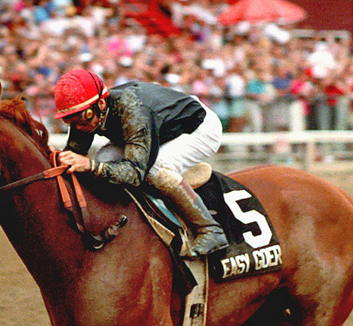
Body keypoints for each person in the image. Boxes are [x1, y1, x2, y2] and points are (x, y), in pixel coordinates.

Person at [54, 68, 229, 258]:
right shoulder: (86, 112)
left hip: (198, 128)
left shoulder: (133, 110)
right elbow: (73, 152)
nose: (78, 126)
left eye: (83, 117)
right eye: (69, 120)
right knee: (104, 158)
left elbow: (136, 173)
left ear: (102, 103)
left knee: (154, 169)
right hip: (161, 127)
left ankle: (210, 230)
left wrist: (90, 166)